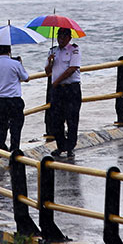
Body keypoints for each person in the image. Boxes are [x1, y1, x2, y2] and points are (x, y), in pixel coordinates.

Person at [45, 27, 82, 158]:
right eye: (59, 36)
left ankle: (71, 147)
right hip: (57, 91)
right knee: (56, 119)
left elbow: (72, 69)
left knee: (72, 119)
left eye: (63, 36)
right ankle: (61, 146)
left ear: (69, 38)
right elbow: (47, 72)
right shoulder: (53, 51)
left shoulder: (74, 50)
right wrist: (50, 62)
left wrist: (57, 81)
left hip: (71, 88)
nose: (60, 39)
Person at [0, 44, 29, 153]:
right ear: (10, 50)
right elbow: (26, 78)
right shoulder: (16, 64)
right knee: (16, 127)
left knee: (1, 126)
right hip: (14, 100)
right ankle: (15, 150)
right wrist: (20, 64)